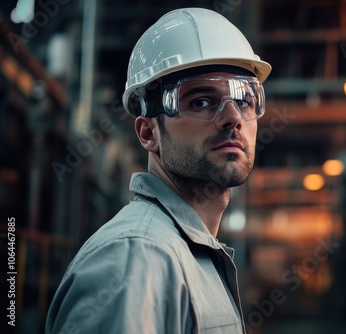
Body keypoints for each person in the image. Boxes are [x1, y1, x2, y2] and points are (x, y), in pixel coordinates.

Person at [46, 7, 271, 334]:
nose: (233, 117)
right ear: (148, 133)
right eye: (200, 101)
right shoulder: (135, 259)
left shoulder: (187, 254)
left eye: (245, 100)